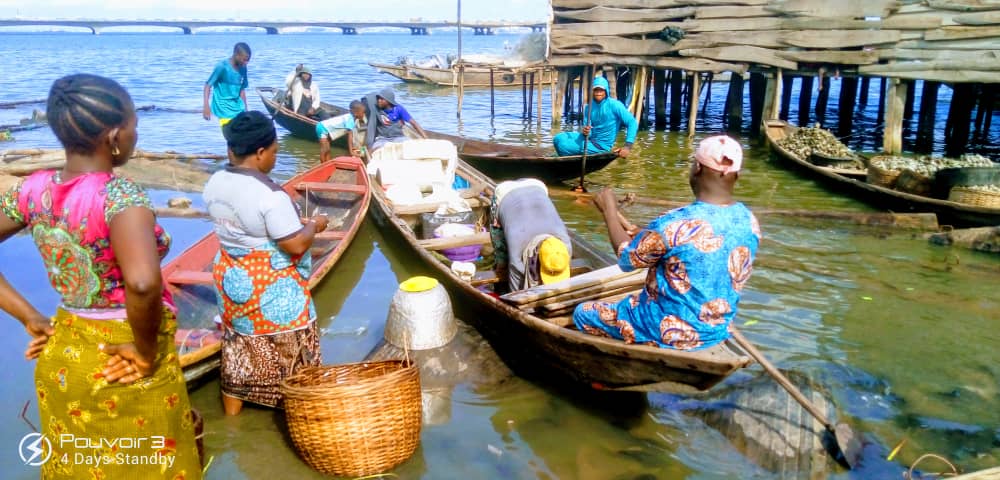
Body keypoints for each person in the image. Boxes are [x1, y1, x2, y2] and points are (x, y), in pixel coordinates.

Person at [0, 74, 202, 478]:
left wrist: (30, 317)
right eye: (133, 126)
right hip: (123, 357)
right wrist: (145, 354)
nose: (135, 135)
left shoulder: (31, 189)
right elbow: (142, 283)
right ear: (113, 135)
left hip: (64, 355)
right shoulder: (119, 196)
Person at [573, 135, 760, 351]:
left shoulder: (673, 224)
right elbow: (694, 245)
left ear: (697, 168)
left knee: (583, 312)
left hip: (665, 330)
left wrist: (609, 212)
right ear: (736, 175)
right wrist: (646, 234)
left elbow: (626, 259)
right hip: (715, 329)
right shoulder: (749, 220)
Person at [203, 111, 328, 415]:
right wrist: (315, 225)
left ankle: (233, 417)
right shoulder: (269, 195)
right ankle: (301, 412)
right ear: (260, 153)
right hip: (268, 287)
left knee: (238, 347)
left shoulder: (215, 181)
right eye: (274, 151)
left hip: (232, 277)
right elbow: (296, 244)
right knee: (293, 350)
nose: (275, 156)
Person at [490, 178, 573, 291]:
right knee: (502, 258)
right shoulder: (518, 245)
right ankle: (500, 269)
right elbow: (517, 288)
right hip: (503, 193)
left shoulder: (565, 247)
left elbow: (563, 269)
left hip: (538, 186)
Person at [553, 75, 638, 158]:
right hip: (589, 140)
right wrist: (585, 132)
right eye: (596, 90)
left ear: (606, 91)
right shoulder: (588, 108)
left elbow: (632, 122)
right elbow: (589, 133)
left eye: (601, 90)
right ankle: (572, 156)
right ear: (592, 91)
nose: (598, 93)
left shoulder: (615, 105)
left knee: (563, 146)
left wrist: (628, 146)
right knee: (558, 138)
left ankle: (570, 159)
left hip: (601, 146)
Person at [362, 87, 427, 152]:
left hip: (398, 137)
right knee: (375, 150)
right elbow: (366, 101)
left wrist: (426, 139)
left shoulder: (398, 109)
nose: (379, 100)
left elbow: (413, 123)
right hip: (382, 139)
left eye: (382, 99)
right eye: (378, 98)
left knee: (411, 146)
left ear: (388, 101)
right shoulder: (376, 109)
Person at [203, 42, 251, 127]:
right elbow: (208, 85)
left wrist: (246, 110)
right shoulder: (222, 67)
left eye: (248, 60)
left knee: (243, 138)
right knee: (232, 137)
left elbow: (242, 89)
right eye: (244, 59)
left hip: (239, 109)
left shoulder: (243, 68)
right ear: (236, 55)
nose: (246, 63)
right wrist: (206, 106)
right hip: (224, 110)